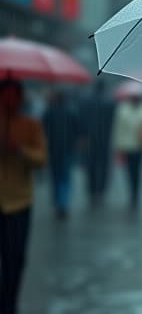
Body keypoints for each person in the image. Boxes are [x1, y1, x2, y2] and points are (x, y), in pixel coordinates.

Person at [0, 80, 47, 314]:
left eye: (12, 96)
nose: (8, 101)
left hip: (19, 200)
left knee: (14, 258)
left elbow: (41, 159)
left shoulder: (31, 125)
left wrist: (19, 150)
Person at [112, 93, 142, 209]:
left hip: (141, 146)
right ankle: (133, 192)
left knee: (138, 171)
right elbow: (118, 129)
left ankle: (136, 193)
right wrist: (118, 146)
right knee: (130, 171)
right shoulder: (122, 110)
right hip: (128, 147)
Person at [42, 87, 80, 220]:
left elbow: (43, 131)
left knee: (56, 178)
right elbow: (78, 131)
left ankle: (58, 203)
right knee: (65, 178)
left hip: (53, 151)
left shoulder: (49, 112)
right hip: (67, 150)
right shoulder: (72, 112)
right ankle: (63, 203)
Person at [79, 80, 115, 206]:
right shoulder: (110, 102)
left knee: (91, 165)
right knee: (104, 165)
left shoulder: (86, 101)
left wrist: (83, 135)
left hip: (90, 138)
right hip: (105, 138)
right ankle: (101, 189)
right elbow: (113, 122)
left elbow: (81, 120)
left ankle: (92, 189)